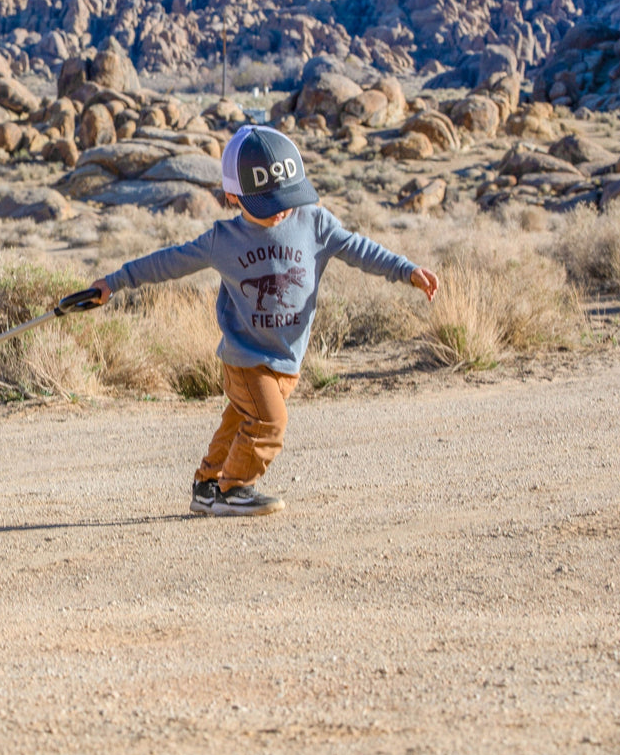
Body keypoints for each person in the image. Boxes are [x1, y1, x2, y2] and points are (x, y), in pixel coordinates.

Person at [90, 125, 439, 517]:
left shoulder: (314, 223)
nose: (280, 209)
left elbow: (359, 248)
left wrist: (405, 270)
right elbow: (167, 261)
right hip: (245, 358)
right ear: (232, 197)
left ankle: (207, 485)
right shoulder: (224, 239)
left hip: (287, 358)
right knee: (269, 424)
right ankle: (235, 488)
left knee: (240, 419)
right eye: (266, 202)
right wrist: (115, 282)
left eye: (286, 198)